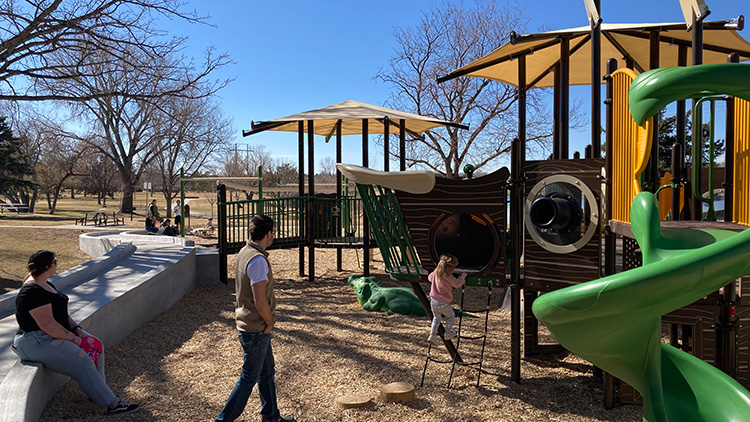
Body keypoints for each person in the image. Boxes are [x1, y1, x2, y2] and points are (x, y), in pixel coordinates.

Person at [13, 250, 140, 416]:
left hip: (50, 335)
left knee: (96, 346)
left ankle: (99, 393)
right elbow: (48, 325)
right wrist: (72, 338)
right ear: (46, 267)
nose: (57, 264)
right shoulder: (32, 292)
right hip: (33, 340)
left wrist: (76, 329)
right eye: (55, 262)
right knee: (83, 361)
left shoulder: (46, 283)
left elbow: (62, 315)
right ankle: (113, 405)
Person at [215, 215, 294, 422]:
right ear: (268, 234)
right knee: (249, 377)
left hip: (249, 326)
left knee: (267, 371)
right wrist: (270, 322)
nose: (274, 236)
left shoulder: (244, 252)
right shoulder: (258, 260)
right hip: (256, 328)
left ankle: (271, 416)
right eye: (273, 233)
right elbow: (260, 301)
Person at [427, 254, 466, 345]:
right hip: (443, 302)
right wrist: (462, 277)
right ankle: (448, 333)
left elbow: (429, 278)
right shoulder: (448, 277)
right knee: (451, 316)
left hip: (433, 302)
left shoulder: (435, 274)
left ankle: (432, 335)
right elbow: (457, 284)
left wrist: (435, 271)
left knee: (436, 318)